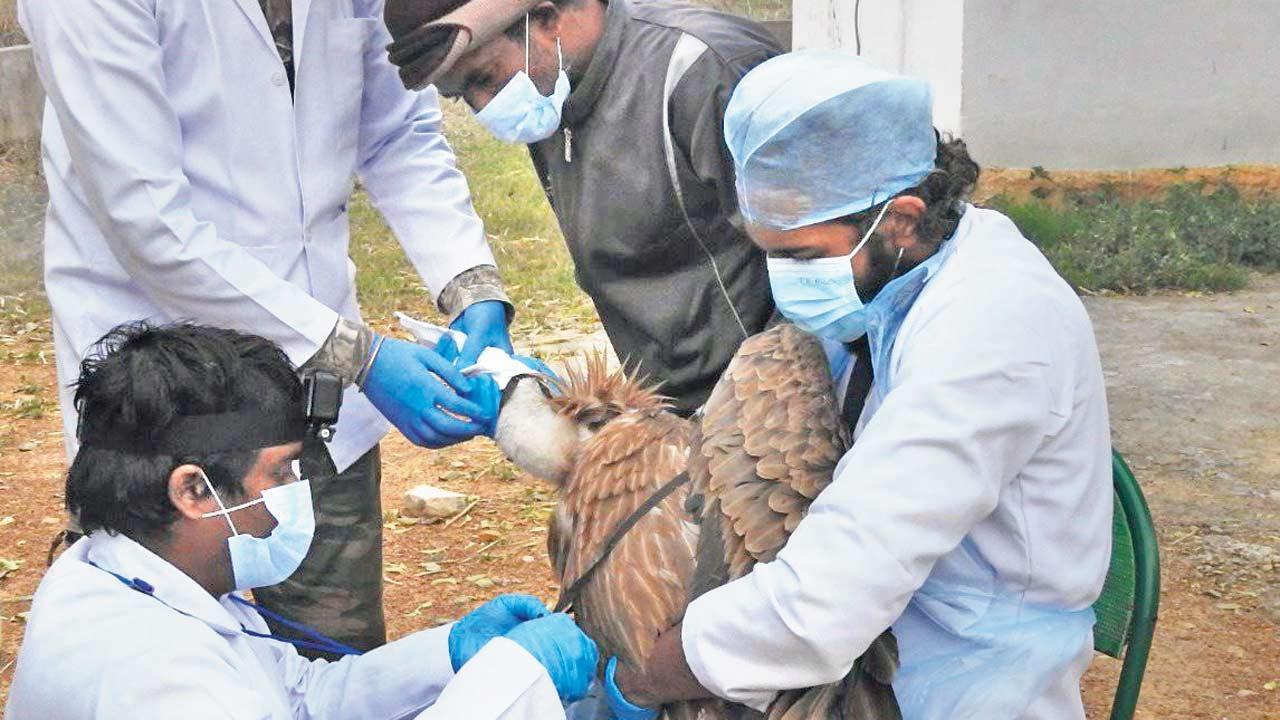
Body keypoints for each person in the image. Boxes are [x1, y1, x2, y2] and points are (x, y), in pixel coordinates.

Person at [603, 52, 1114, 720]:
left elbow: (818, 607)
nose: (783, 280)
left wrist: (635, 678)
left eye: (802, 257)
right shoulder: (902, 279)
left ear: (901, 218)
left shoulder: (993, 330)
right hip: (892, 629)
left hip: (968, 677)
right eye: (770, 251)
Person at [17, 0, 513, 655]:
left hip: (322, 402)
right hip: (165, 397)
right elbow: (146, 220)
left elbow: (396, 129)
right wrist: (357, 357)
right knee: (164, 660)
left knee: (334, 645)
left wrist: (470, 284)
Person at [4, 322, 598, 720]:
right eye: (282, 472)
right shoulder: (155, 680)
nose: (297, 493)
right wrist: (514, 681)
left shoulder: (126, 574)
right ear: (192, 489)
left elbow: (299, 698)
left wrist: (450, 652)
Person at [382, 0, 780, 416]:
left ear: (549, 18)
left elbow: (814, 257)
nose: (485, 106)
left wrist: (753, 419)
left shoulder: (702, 70)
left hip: (771, 406)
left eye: (485, 78)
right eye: (463, 96)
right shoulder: (554, 89)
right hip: (671, 407)